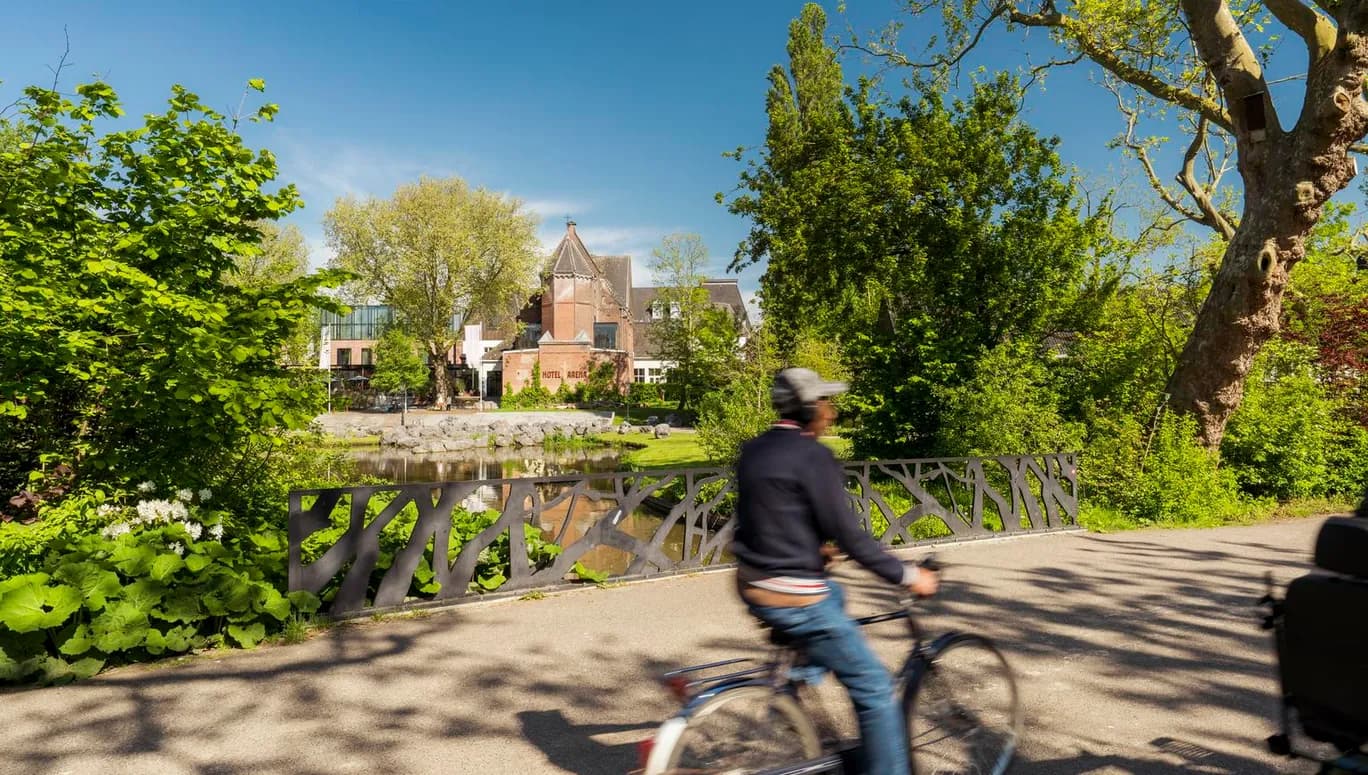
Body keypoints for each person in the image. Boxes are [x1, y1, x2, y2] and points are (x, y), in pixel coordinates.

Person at [732, 367, 939, 775]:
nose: (831, 411)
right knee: (875, 688)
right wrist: (909, 576)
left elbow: (765, 516)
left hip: (750, 581)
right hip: (794, 596)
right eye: (825, 402)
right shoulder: (814, 457)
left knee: (838, 598)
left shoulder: (753, 449)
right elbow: (853, 538)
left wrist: (811, 548)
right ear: (809, 408)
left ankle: (795, 682)